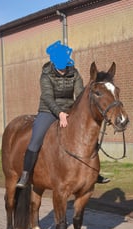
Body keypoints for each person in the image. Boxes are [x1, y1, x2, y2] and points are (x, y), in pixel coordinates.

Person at [16, 41, 110, 188]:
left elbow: (80, 95)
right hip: (48, 110)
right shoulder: (46, 74)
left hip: (70, 110)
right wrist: (59, 113)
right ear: (54, 59)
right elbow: (47, 97)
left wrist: (78, 112)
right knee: (36, 138)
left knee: (88, 136)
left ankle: (93, 172)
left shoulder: (74, 73)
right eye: (59, 57)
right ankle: (26, 174)